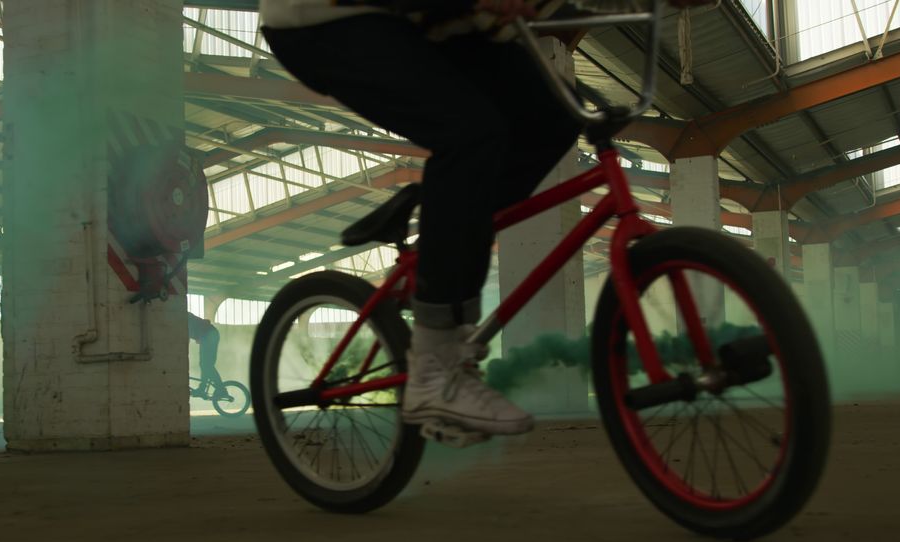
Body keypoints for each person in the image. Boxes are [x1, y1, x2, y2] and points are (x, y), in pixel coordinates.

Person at [258, 0, 709, 439]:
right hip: (329, 18)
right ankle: (434, 368)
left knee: (553, 113)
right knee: (469, 132)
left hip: (442, 23)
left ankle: (447, 222)